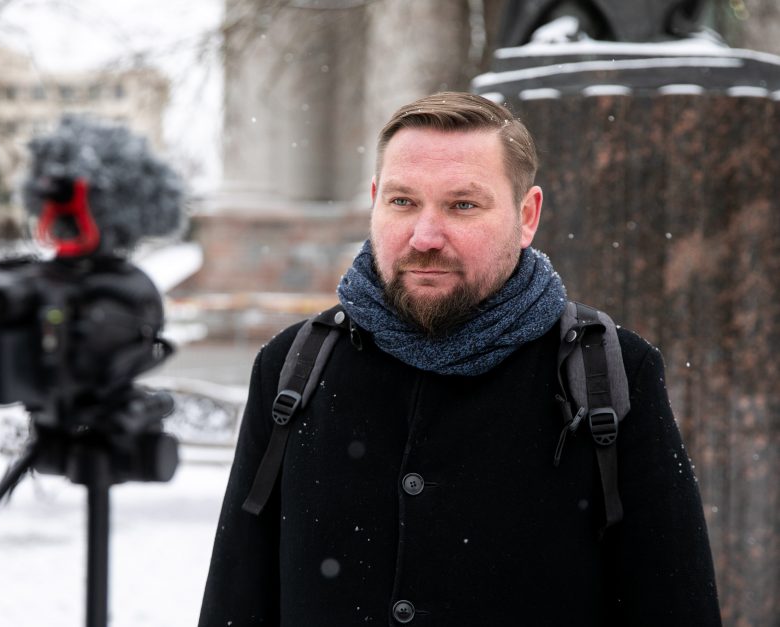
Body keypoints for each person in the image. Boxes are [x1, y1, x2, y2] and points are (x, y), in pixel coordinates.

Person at [198, 92, 721, 626]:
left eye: (462, 205)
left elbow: (676, 605)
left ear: (527, 216)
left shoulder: (609, 370)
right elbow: (235, 599)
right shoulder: (294, 365)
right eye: (402, 202)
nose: (425, 236)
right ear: (375, 201)